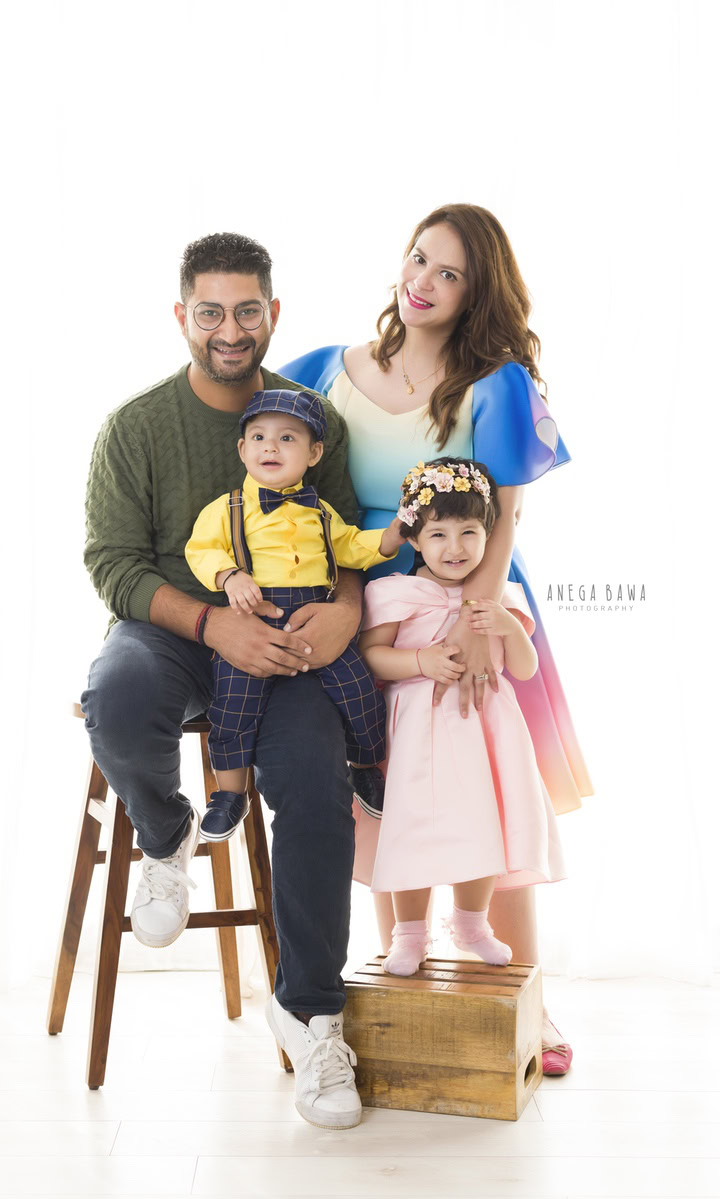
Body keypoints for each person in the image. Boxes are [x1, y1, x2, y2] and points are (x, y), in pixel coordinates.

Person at [280, 202, 592, 1074]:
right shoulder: (328, 373)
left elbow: (509, 502)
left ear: (475, 290)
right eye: (419, 259)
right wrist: (347, 605)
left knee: (494, 788)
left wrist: (479, 614)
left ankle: (531, 1001)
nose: (422, 282)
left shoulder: (493, 381)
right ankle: (398, 991)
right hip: (373, 605)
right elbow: (309, 502)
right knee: (384, 795)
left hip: (475, 591)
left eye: (448, 272)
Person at [81, 232, 366, 1129]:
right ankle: (166, 836)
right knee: (116, 695)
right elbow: (113, 563)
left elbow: (352, 540)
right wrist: (211, 623)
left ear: (273, 314)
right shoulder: (135, 427)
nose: (231, 328)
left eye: (248, 310)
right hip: (173, 632)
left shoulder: (316, 416)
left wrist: (346, 613)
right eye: (211, 311)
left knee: (317, 787)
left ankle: (313, 1013)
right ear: (183, 317)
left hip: (286, 645)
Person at [358, 457, 565, 975]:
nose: (456, 548)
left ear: (488, 534)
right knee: (412, 829)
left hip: (484, 733)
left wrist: (508, 628)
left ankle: (472, 922)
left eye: (470, 533)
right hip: (417, 734)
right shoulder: (392, 593)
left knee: (483, 824)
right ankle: (409, 935)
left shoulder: (499, 598)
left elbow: (523, 666)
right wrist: (419, 661)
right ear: (413, 539)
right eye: (440, 534)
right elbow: (372, 657)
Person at [185, 387, 403, 841]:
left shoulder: (321, 512)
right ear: (243, 449)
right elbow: (201, 550)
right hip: (253, 623)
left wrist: (390, 538)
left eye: (287, 438)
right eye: (260, 437)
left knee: (360, 692)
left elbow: (349, 547)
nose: (270, 446)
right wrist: (229, 577)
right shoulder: (227, 510)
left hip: (314, 620)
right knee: (233, 704)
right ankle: (229, 793)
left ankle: (364, 765)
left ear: (314, 453)